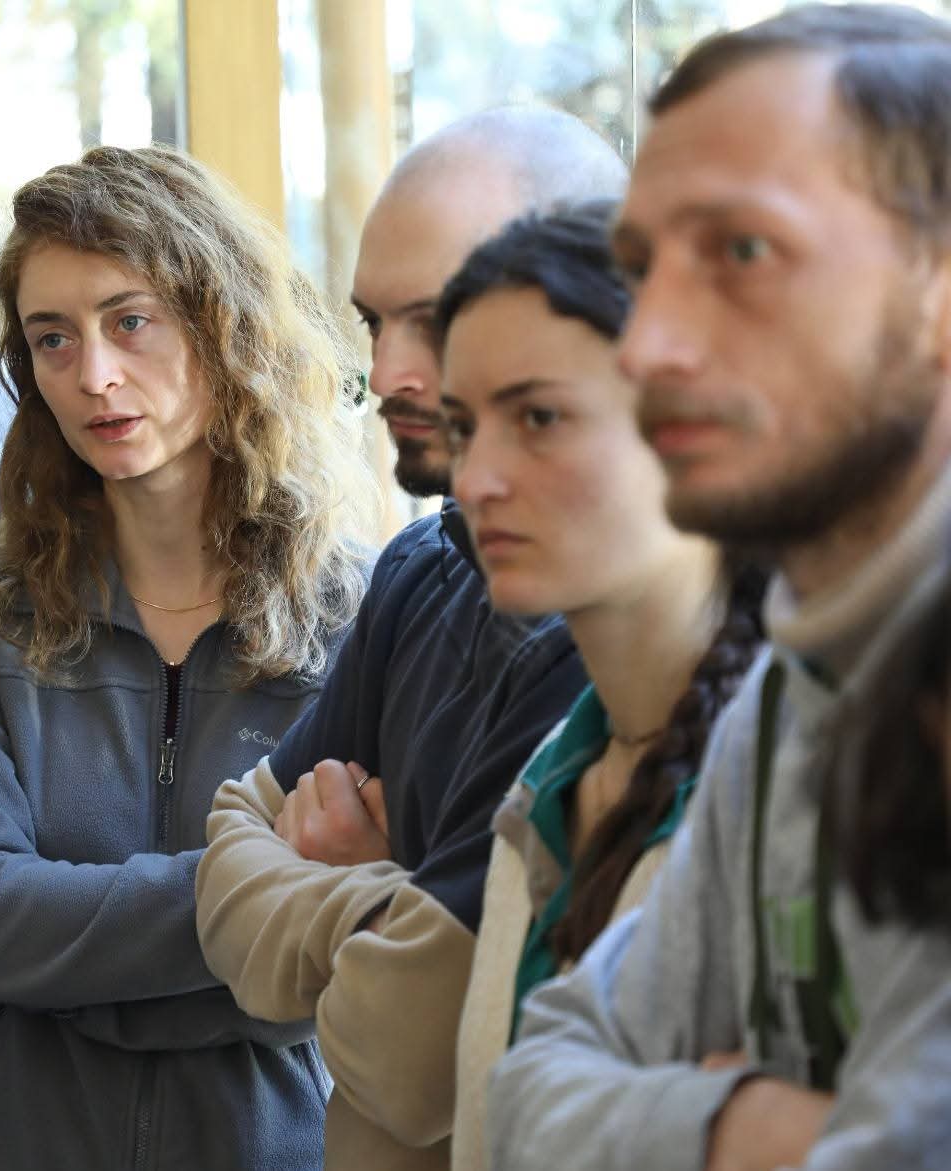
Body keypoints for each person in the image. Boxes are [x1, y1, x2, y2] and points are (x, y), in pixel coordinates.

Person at [489, 8, 951, 1170]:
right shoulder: (793, 686)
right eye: (641, 270)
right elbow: (527, 1086)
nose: (646, 346)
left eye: (741, 252)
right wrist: (744, 1127)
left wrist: (666, 1118)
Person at [0, 144, 377, 1170]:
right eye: (52, 338)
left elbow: (352, 953)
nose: (94, 376)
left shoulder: (359, 615)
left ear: (220, 322)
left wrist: (55, 973)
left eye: (130, 321)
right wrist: (262, 902)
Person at [192, 107, 621, 1170]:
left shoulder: (602, 639)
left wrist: (358, 898)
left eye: (434, 319)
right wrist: (395, 905)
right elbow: (227, 859)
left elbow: (416, 1055)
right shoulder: (424, 563)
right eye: (373, 322)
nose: (385, 371)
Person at [431, 202, 764, 1171]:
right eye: (463, 427)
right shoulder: (550, 777)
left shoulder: (802, 782)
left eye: (538, 418)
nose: (475, 478)